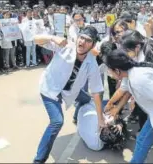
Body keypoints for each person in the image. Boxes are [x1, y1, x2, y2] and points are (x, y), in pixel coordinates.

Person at [33, 26, 106, 163]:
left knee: (87, 100)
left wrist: (101, 118)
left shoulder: (91, 63)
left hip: (70, 91)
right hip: (50, 89)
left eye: (88, 40)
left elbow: (96, 91)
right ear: (77, 38)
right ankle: (38, 160)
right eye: (81, 38)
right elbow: (36, 39)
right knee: (57, 122)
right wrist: (52, 37)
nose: (83, 42)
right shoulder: (65, 46)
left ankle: (76, 118)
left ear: (93, 45)